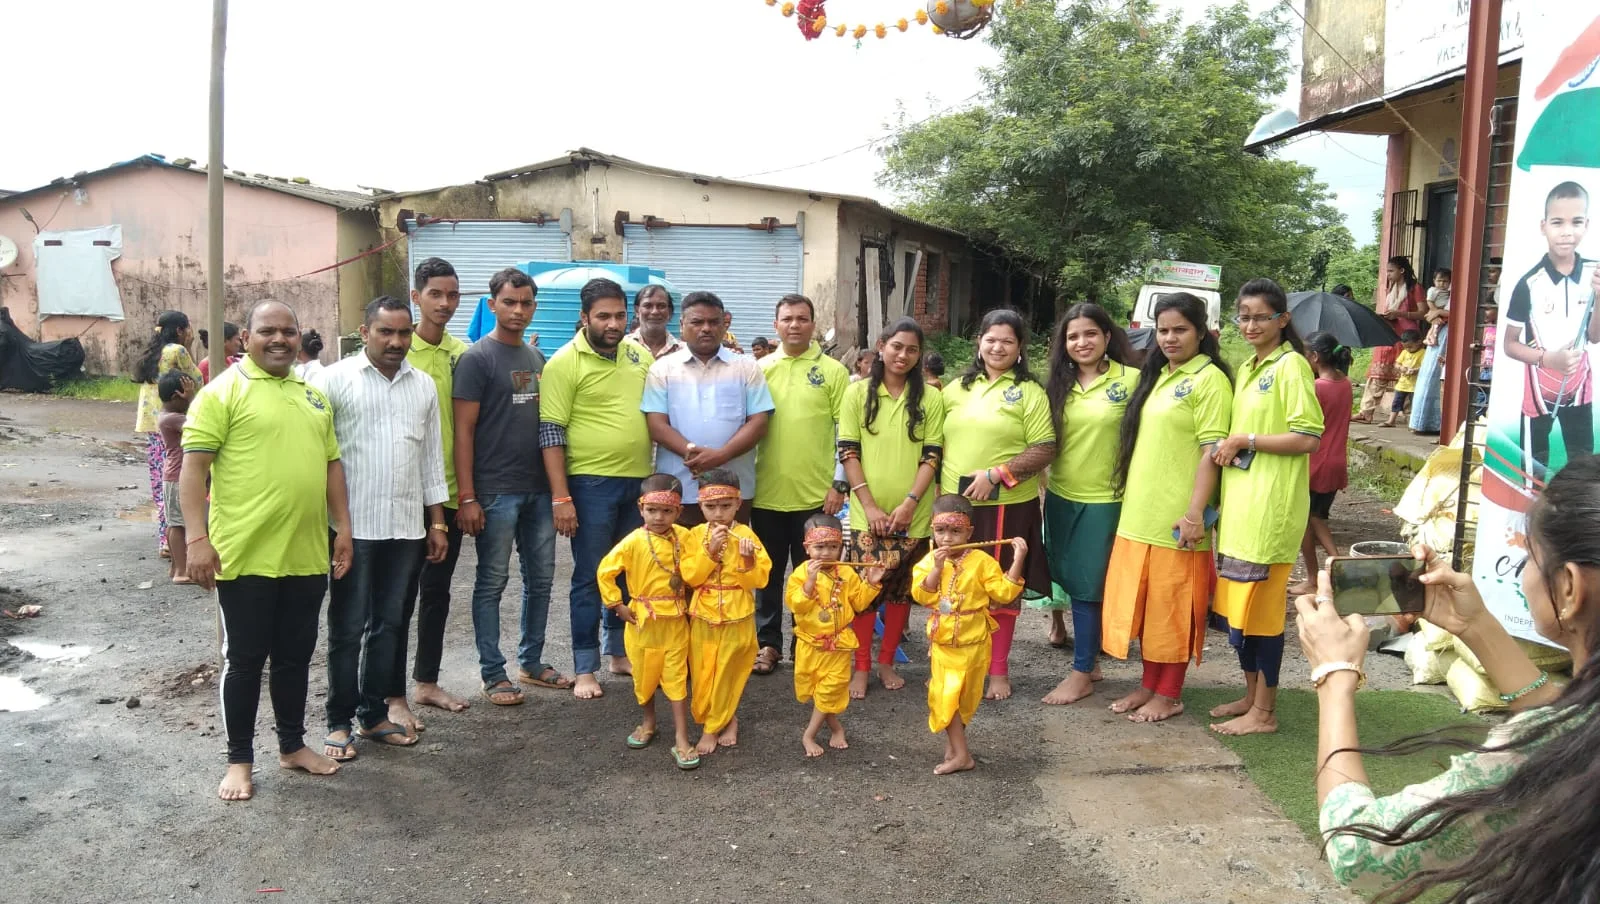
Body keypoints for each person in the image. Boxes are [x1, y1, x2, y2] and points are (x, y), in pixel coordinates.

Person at [1301, 456, 1597, 901]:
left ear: (1569, 588)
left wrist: (1334, 674)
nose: (1525, 570)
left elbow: (1358, 851)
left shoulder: (1547, 750)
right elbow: (1569, 728)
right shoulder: (1577, 733)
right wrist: (1475, 625)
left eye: (1530, 556)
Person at [180, 299, 354, 802]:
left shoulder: (312, 394)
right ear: (246, 339)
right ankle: (239, 760)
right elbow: (192, 473)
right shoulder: (221, 394)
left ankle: (292, 746)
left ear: (299, 336)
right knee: (246, 660)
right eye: (266, 331)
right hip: (244, 556)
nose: (278, 339)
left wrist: (342, 528)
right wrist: (196, 540)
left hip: (303, 553)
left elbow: (331, 466)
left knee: (296, 657)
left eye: (287, 331)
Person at [313, 297, 449, 762]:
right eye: (385, 332)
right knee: (348, 626)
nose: (395, 342)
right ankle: (338, 721)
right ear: (364, 330)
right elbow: (321, 458)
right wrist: (332, 526)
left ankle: (373, 716)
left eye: (403, 333)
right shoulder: (333, 380)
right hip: (353, 527)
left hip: (407, 526)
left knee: (391, 623)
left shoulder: (423, 385)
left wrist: (436, 521)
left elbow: (430, 458)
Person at [1102, 292, 1233, 723]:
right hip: (1139, 514)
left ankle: (1170, 693)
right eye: (1163, 331)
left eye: (1180, 329)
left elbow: (1211, 451)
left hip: (1179, 518)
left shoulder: (1209, 379)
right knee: (1146, 609)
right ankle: (1148, 685)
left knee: (1173, 609)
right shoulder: (1158, 374)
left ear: (1202, 332)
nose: (1170, 338)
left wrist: (1196, 514)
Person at [1208, 278, 1323, 737]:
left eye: (1261, 316)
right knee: (1239, 609)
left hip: (1270, 511)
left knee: (1264, 613)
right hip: (1240, 507)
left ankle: (1266, 712)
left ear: (1283, 319)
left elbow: (1308, 436)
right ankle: (1251, 694)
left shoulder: (1291, 366)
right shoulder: (1248, 367)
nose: (1251, 325)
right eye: (1244, 316)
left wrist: (1247, 439)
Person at [541, 277, 657, 699]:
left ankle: (618, 652)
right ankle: (586, 666)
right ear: (584, 317)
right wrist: (561, 497)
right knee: (592, 575)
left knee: (629, 572)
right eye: (603, 316)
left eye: (619, 316)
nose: (612, 324)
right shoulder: (563, 362)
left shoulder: (636, 354)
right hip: (590, 484)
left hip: (637, 482)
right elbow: (550, 432)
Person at [453, 267, 558, 707]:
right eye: (509, 302)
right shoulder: (477, 359)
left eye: (526, 303)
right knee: (492, 582)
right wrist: (468, 497)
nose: (518, 311)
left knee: (542, 580)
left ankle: (531, 662)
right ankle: (493, 672)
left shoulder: (536, 359)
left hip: (538, 488)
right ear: (492, 304)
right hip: (495, 491)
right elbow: (463, 431)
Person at [941, 309, 1056, 701]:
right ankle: (953, 664)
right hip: (955, 508)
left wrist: (996, 475)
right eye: (990, 339)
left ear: (1020, 348)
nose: (997, 347)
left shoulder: (1030, 392)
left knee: (1000, 589)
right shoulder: (955, 389)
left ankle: (998, 670)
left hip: (1007, 504)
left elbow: (1044, 448)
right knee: (954, 585)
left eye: (1007, 340)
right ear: (979, 342)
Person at [838, 318, 945, 697]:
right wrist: (868, 505)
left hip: (912, 514)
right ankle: (862, 666)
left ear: (920, 356)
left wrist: (909, 504)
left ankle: (886, 662)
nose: (903, 355)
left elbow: (932, 454)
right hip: (866, 512)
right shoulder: (857, 394)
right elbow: (848, 450)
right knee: (866, 592)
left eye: (912, 350)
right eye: (897, 346)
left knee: (900, 593)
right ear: (882, 346)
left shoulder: (931, 398)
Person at [1039, 303, 1136, 705]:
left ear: (1108, 337)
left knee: (1088, 586)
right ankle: (1091, 659)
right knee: (1066, 577)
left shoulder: (1132, 380)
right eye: (1073, 336)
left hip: (1107, 499)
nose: (1082, 342)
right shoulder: (1055, 385)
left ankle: (1081, 671)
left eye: (1090, 334)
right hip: (1061, 495)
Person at [751, 294, 849, 676]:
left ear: (813, 324)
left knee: (816, 574)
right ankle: (769, 645)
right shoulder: (758, 369)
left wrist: (839, 484)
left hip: (816, 496)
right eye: (787, 318)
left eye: (803, 319)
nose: (795, 325)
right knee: (769, 576)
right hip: (767, 493)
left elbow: (847, 433)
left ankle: (807, 641)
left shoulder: (834, 372)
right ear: (775, 324)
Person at [395, 257, 473, 726]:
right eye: (436, 295)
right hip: (400, 497)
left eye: (452, 295)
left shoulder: (460, 355)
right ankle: (390, 694)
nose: (445, 304)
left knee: (437, 592)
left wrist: (466, 494)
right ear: (416, 297)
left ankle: (425, 682)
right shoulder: (397, 351)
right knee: (395, 598)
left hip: (444, 494)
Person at [910, 495, 1028, 775]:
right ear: (932, 529)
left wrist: (1019, 558)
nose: (947, 538)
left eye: (956, 531)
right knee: (944, 695)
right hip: (943, 645)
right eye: (940, 531)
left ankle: (955, 747)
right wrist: (937, 569)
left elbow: (1003, 593)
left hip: (975, 643)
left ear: (970, 532)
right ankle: (962, 755)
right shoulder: (930, 560)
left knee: (966, 700)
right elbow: (921, 595)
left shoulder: (982, 561)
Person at [642, 291, 774, 526]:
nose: (706, 328)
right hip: (679, 486)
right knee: (680, 558)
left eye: (714, 322)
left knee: (731, 556)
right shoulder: (662, 369)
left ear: (724, 325)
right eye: (697, 322)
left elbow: (759, 422)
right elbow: (656, 425)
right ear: (682, 325)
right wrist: (692, 453)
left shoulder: (747, 368)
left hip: (732, 491)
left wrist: (720, 456)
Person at [597, 473, 700, 770]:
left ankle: (682, 737)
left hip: (676, 621)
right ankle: (649, 721)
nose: (659, 517)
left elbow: (700, 564)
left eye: (667, 511)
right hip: (642, 623)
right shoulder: (632, 542)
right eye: (652, 510)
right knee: (644, 677)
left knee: (677, 678)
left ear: (679, 512)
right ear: (640, 508)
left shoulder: (686, 537)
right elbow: (605, 571)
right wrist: (616, 604)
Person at [1504, 181, 1599, 481]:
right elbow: (1509, 344)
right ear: (1543, 226)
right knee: (1532, 472)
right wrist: (1548, 359)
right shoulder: (1529, 283)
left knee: (1584, 470)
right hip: (1539, 389)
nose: (1567, 231)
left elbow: (1594, 336)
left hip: (1579, 385)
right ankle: (1530, 526)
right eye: (1558, 222)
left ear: (1587, 225)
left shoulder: (1595, 274)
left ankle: (1577, 528)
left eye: (1576, 222)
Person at [679, 469, 772, 756]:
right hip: (704, 614)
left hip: (737, 616)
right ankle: (728, 718)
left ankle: (712, 728)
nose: (718, 513)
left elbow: (760, 581)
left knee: (728, 673)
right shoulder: (694, 535)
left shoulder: (747, 535)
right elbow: (690, 577)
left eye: (725, 506)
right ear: (700, 504)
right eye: (710, 506)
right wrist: (709, 553)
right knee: (704, 672)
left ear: (738, 503)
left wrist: (746, 560)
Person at [786, 513, 883, 757]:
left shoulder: (847, 573)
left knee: (830, 689)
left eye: (832, 547)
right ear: (807, 548)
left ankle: (808, 734)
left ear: (840, 547)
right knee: (816, 691)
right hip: (810, 645)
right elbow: (797, 606)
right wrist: (809, 582)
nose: (826, 553)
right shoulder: (800, 573)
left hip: (838, 644)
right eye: (819, 547)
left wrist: (871, 583)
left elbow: (859, 604)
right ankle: (836, 727)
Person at [133, 310, 201, 556]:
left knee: (160, 482)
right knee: (179, 479)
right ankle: (178, 540)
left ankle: (164, 539)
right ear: (181, 330)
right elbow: (197, 379)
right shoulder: (177, 351)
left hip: (152, 424)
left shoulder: (151, 353)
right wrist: (190, 347)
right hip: (175, 421)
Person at [1293, 331, 1354, 595]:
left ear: (1315, 356)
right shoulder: (1346, 383)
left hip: (1316, 463)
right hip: (1336, 460)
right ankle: (1336, 565)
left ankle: (1313, 576)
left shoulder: (1317, 388)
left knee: (1306, 522)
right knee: (1316, 518)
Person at [1357, 257, 1425, 423]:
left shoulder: (1414, 288)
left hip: (1407, 338)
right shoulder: (1391, 289)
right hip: (1389, 334)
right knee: (1377, 373)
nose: (1387, 274)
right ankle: (1366, 412)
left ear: (1402, 270)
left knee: (1407, 376)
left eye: (1391, 271)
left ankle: (1412, 417)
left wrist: (1400, 314)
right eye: (1387, 271)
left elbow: (1423, 313)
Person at [155, 371, 197, 584]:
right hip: (177, 477)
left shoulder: (168, 415)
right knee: (179, 524)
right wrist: (193, 401)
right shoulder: (173, 418)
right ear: (175, 397)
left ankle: (176, 568)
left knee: (175, 523)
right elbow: (200, 424)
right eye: (186, 394)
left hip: (173, 475)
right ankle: (181, 570)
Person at [1410, 268, 1452, 434]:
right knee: (1432, 373)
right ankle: (1425, 421)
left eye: (1445, 281)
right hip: (1440, 332)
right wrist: (1436, 313)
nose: (1442, 284)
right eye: (1439, 280)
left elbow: (1437, 312)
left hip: (1442, 330)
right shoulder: (1435, 292)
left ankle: (1424, 421)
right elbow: (1430, 310)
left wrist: (1437, 313)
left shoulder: (1449, 292)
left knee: (1432, 374)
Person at [626, 284, 682, 359]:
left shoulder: (684, 352)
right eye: (647, 306)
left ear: (670, 312)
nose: (654, 312)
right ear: (637, 311)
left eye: (661, 306)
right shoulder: (622, 347)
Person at [1383, 331, 1426, 428]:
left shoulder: (1423, 353)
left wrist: (1416, 370)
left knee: (1414, 404)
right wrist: (1401, 368)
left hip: (1415, 385)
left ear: (1419, 342)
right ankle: (1391, 420)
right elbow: (1397, 364)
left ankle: (1414, 423)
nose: (1408, 349)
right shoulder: (1404, 352)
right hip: (1402, 384)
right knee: (1396, 402)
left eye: (1410, 347)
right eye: (1405, 347)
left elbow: (1425, 367)